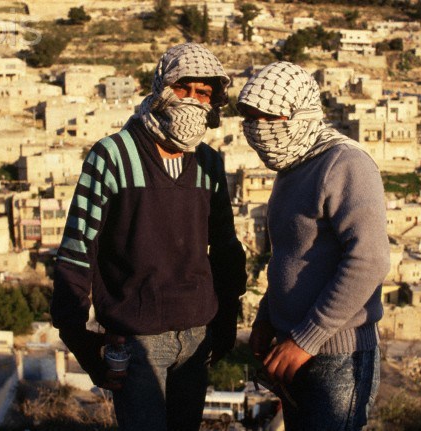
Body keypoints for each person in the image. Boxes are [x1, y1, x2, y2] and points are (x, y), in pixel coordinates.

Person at [50, 43, 246, 431]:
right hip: (137, 341)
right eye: (183, 87)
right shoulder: (111, 156)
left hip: (196, 335)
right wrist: (80, 338)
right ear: (161, 88)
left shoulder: (209, 162)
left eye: (203, 93)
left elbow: (224, 245)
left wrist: (226, 318)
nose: (192, 100)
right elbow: (77, 249)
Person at [237, 62, 390, 430]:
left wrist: (307, 340)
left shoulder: (345, 163)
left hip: (337, 357)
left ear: (301, 113)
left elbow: (369, 260)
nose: (259, 129)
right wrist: (266, 318)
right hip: (294, 349)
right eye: (250, 118)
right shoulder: (291, 168)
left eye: (269, 117)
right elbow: (290, 259)